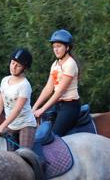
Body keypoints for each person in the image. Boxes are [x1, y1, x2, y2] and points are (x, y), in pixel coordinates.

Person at [31, 29, 81, 163]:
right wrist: (34, 108)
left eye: (59, 46)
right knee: (40, 134)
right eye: (54, 47)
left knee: (53, 136)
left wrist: (42, 110)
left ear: (67, 47)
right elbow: (49, 88)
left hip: (69, 106)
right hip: (58, 105)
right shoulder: (55, 64)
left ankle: (57, 164)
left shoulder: (70, 64)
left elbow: (59, 92)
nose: (56, 49)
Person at [0, 48, 36, 150]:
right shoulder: (5, 81)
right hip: (10, 125)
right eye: (13, 63)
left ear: (24, 68)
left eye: (18, 65)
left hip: (25, 125)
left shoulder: (25, 85)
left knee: (25, 156)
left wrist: (0, 128)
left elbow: (17, 110)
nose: (14, 67)